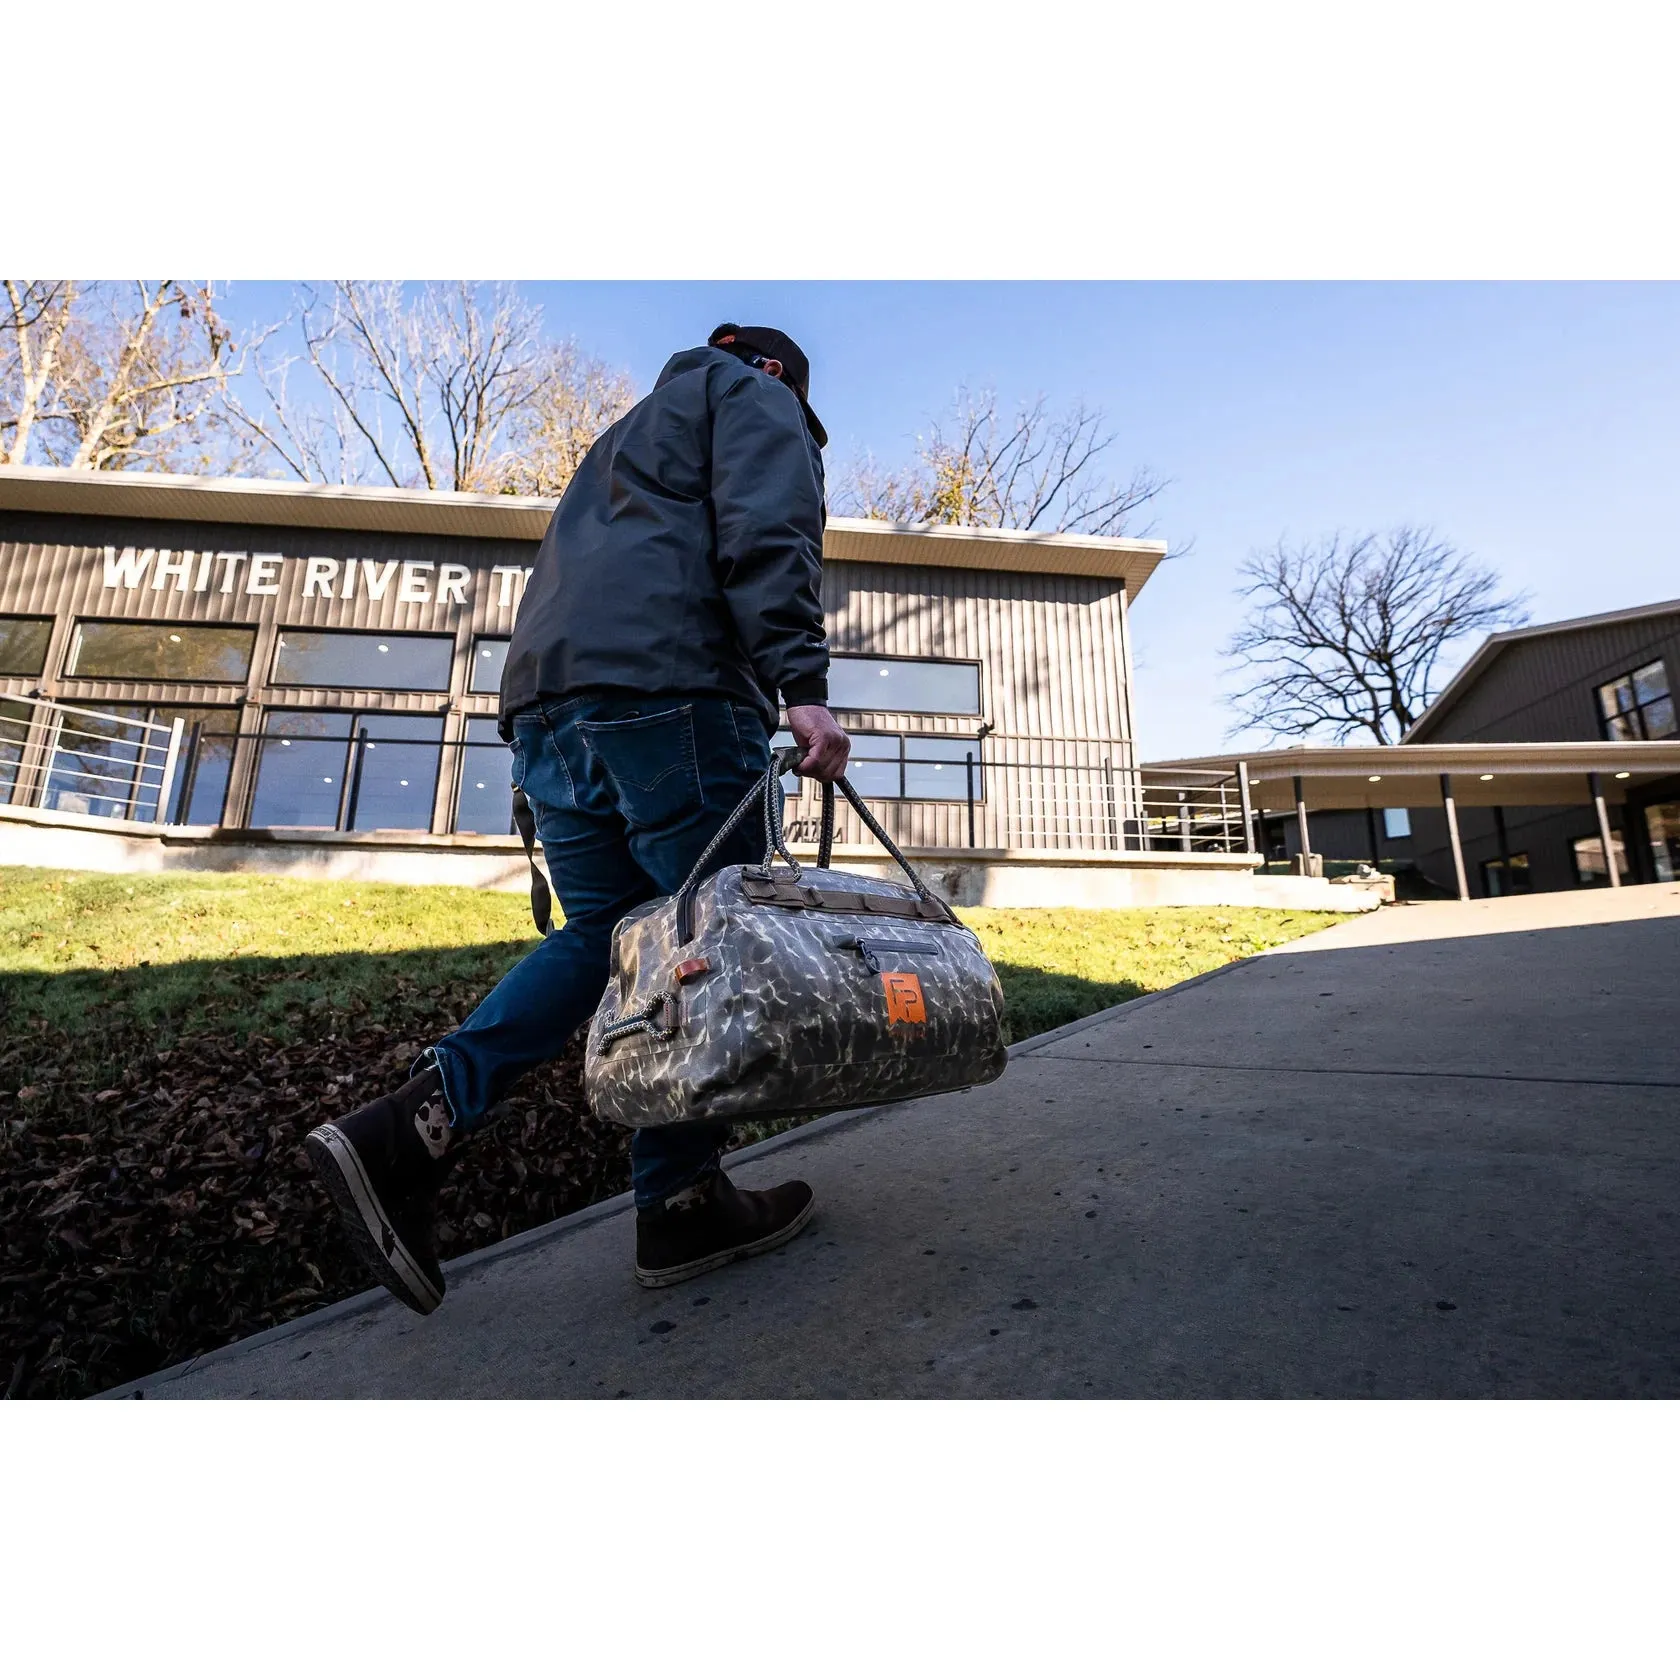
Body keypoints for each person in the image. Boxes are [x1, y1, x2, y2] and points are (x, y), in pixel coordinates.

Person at [304, 324, 850, 1315]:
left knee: (611, 935)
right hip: (673, 693)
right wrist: (801, 681)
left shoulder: (621, 443)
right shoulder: (756, 397)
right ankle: (679, 1200)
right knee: (702, 938)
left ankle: (417, 1120)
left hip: (550, 710)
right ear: (776, 375)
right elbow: (771, 530)